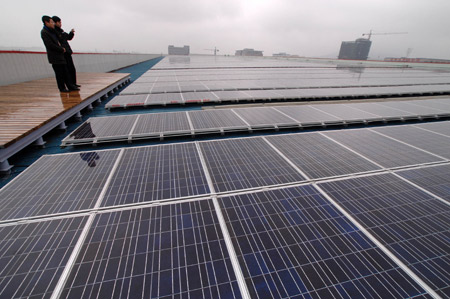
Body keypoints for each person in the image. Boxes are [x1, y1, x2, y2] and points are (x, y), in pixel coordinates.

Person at [40, 15, 79, 92]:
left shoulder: (53, 31)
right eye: (52, 22)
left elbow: (64, 38)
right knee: (59, 73)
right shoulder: (45, 32)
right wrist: (61, 49)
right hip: (55, 56)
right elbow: (50, 45)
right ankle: (62, 88)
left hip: (61, 55)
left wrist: (70, 34)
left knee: (66, 72)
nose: (53, 24)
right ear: (46, 22)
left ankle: (71, 86)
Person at [52, 16, 80, 87]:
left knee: (72, 69)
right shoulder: (55, 32)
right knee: (66, 70)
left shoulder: (61, 31)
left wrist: (71, 33)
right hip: (63, 54)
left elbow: (68, 38)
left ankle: (74, 83)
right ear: (55, 23)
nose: (60, 23)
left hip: (67, 52)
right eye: (59, 22)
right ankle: (70, 85)